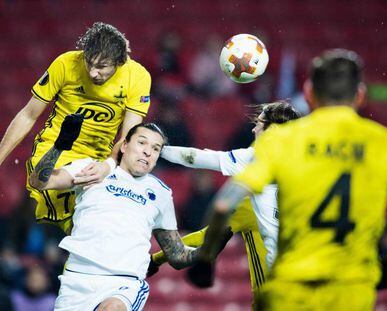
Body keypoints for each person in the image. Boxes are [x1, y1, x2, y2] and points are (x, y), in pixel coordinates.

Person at [189, 49, 387, 310]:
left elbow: (223, 205)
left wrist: (206, 259)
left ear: (308, 93)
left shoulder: (282, 140)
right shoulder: (386, 144)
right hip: (352, 290)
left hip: (290, 288)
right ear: (360, 94)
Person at [29, 115, 201, 311]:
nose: (147, 152)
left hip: (123, 283)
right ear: (124, 146)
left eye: (155, 149)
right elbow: (38, 182)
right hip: (77, 280)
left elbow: (177, 255)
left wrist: (208, 250)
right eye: (142, 142)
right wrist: (60, 145)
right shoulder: (93, 169)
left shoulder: (161, 192)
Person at [0, 22, 152, 234]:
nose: (92, 72)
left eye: (101, 67)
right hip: (55, 147)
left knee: (89, 227)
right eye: (89, 63)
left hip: (97, 157)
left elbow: (129, 137)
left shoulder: (138, 77)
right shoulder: (66, 63)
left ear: (120, 62)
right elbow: (28, 114)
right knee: (40, 200)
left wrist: (108, 165)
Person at [147, 101, 300, 304]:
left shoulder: (253, 162)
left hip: (277, 292)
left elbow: (196, 158)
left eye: (260, 124)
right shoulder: (312, 165)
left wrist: (154, 148)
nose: (254, 129)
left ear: (273, 131)